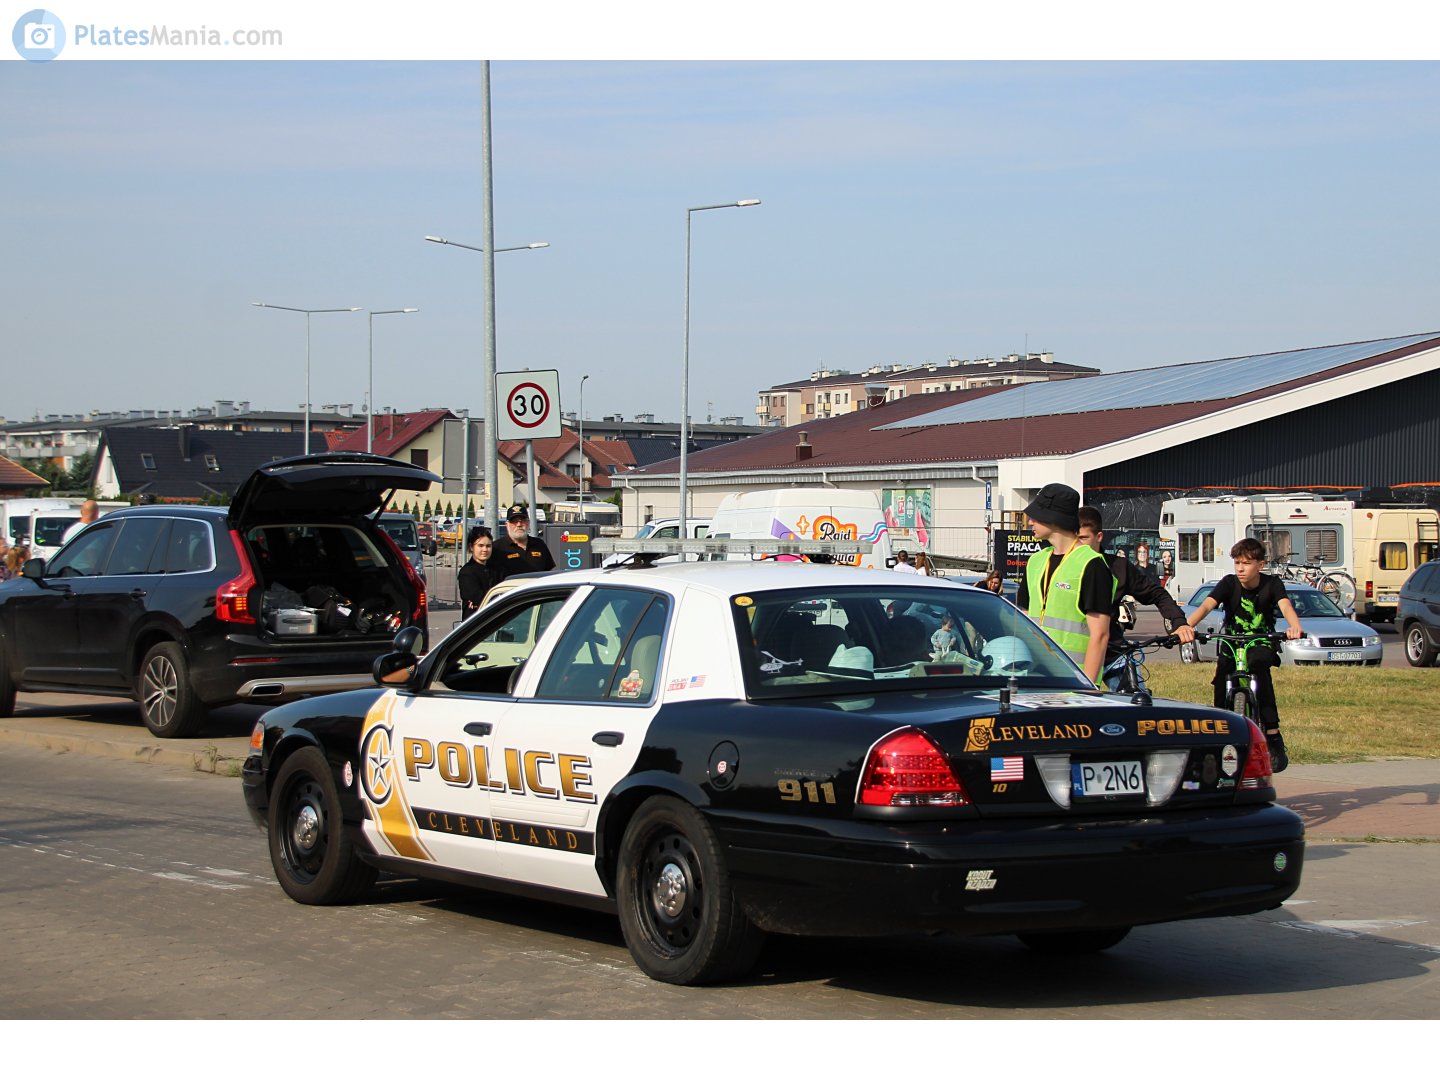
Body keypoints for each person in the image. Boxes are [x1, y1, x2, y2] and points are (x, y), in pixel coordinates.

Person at [1185, 537, 1303, 771]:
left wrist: (1294, 626)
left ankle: (1273, 735)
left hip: (1261, 640)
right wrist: (1186, 626)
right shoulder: (1229, 583)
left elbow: (1286, 606)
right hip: (1232, 641)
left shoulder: (1272, 584)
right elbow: (1207, 605)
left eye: (1246, 563)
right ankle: (1220, 730)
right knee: (1221, 678)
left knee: (1259, 668)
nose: (1240, 568)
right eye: (1237, 562)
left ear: (1260, 565)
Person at [1077, 506, 1195, 691]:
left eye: (1083, 538)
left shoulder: (1119, 567)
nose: (1078, 544)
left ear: (1099, 537)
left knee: (1137, 704)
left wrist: (1179, 622)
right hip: (1075, 656)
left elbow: (1158, 593)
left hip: (1113, 653)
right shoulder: (1063, 568)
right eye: (1075, 539)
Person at [1014, 483, 1113, 685]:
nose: (1030, 521)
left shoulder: (1092, 564)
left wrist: (1088, 688)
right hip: (1033, 679)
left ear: (1055, 519)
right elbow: (1023, 619)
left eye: (1036, 516)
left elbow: (1100, 635)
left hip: (1074, 683)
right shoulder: (1035, 561)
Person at [491, 504, 557, 581]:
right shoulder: (497, 548)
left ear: (528, 523)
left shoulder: (539, 544)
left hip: (536, 591)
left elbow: (547, 572)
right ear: (507, 525)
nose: (519, 525)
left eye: (522, 520)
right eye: (514, 521)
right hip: (511, 592)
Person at [457, 526, 499, 615]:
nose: (485, 550)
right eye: (480, 546)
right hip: (476, 622)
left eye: (488, 546)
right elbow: (479, 599)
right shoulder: (467, 572)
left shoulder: (498, 570)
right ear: (471, 547)